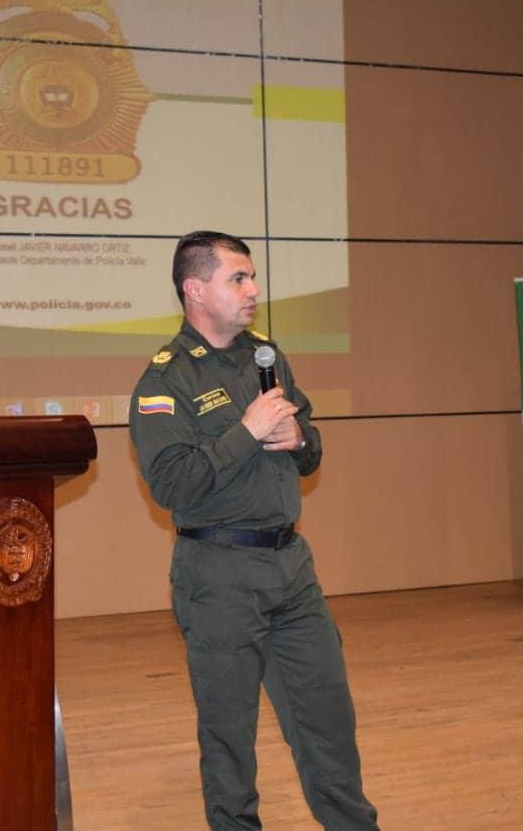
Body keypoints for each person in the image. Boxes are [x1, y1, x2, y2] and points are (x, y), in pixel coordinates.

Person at [129, 232, 380, 830]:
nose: (253, 290)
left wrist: (300, 440)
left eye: (252, 277)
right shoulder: (165, 381)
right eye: (238, 278)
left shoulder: (267, 357)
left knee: (328, 723)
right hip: (218, 575)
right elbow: (171, 486)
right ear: (195, 290)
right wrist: (246, 432)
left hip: (292, 568)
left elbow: (309, 447)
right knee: (229, 740)